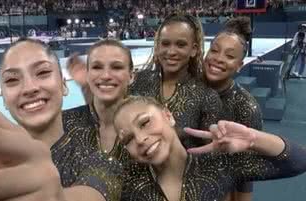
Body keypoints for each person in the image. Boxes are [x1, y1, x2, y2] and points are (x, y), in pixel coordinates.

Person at [0, 37, 122, 201]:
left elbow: (90, 195)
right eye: (12, 80)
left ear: (64, 85)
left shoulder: (102, 163)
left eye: (43, 72)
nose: (29, 88)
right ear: (4, 99)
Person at [67, 14, 222, 147]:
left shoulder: (207, 96)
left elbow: (208, 155)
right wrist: (87, 86)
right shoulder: (139, 80)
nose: (171, 51)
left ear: (194, 49)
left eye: (180, 45)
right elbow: (108, 116)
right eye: (165, 44)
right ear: (157, 46)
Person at [113, 96, 306, 201]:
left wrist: (254, 139)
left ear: (168, 115)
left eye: (145, 123)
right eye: (128, 139)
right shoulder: (125, 181)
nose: (140, 139)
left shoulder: (217, 165)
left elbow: (298, 162)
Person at [202, 16, 262, 201]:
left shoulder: (246, 107)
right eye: (214, 51)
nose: (218, 59)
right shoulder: (187, 87)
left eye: (229, 56)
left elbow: (245, 173)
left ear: (239, 66)